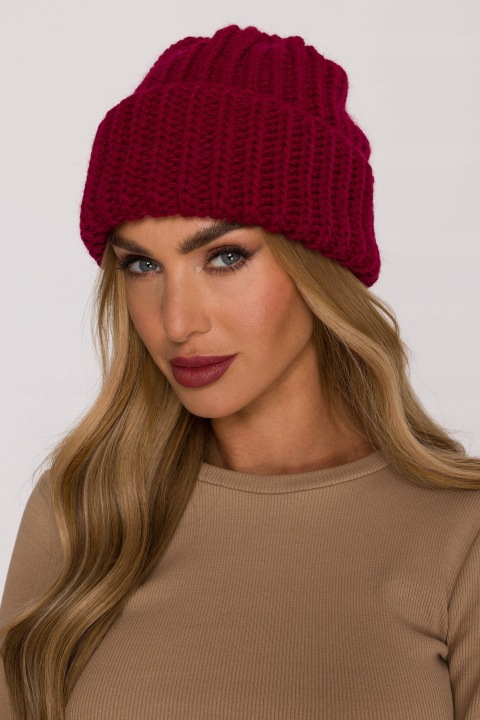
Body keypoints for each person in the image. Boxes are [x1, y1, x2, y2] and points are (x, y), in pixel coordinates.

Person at [0, 22, 479, 720]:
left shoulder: (461, 535)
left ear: (320, 266)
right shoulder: (83, 515)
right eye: (142, 265)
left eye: (225, 257)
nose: (176, 321)